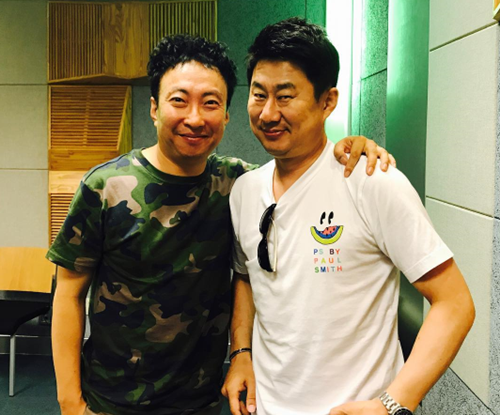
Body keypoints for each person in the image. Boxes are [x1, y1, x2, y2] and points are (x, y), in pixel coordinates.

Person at [46, 33, 391, 415]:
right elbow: (69, 294)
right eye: (179, 100)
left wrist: (351, 147)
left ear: (226, 114)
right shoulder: (105, 187)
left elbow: (297, 170)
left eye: (210, 103)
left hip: (203, 401)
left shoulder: (239, 185)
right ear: (154, 108)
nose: (195, 118)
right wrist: (70, 402)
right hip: (112, 402)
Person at [223, 17, 475, 415]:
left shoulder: (371, 182)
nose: (268, 113)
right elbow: (247, 277)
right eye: (258, 95)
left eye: (285, 96)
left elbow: (455, 303)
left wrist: (393, 403)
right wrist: (241, 353)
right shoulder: (244, 190)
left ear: (328, 101)